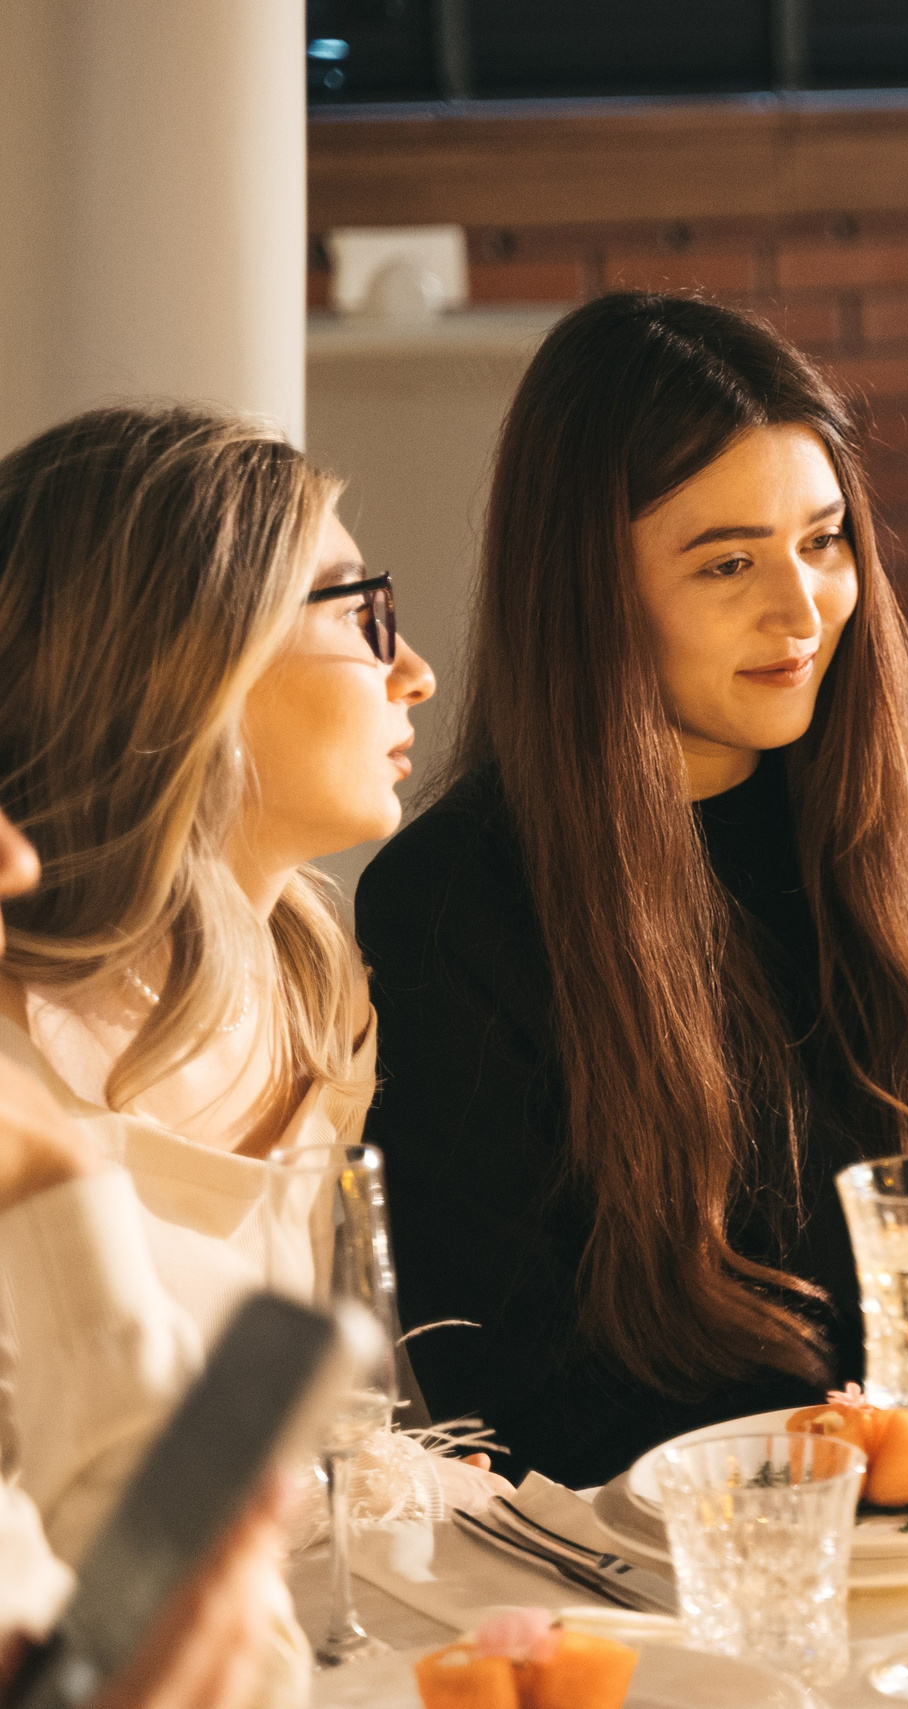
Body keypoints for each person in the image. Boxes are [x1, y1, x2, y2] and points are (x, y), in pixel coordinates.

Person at [357, 294, 908, 1490]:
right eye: (728, 561)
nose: (801, 612)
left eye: (824, 539)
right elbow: (515, 1388)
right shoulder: (455, 898)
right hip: (709, 1543)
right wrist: (861, 1468)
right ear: (589, 587)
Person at [0, 404, 434, 1587]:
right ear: (193, 660)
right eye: (362, 613)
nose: (416, 670)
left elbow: (266, 1447)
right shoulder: (15, 1062)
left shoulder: (311, 977)